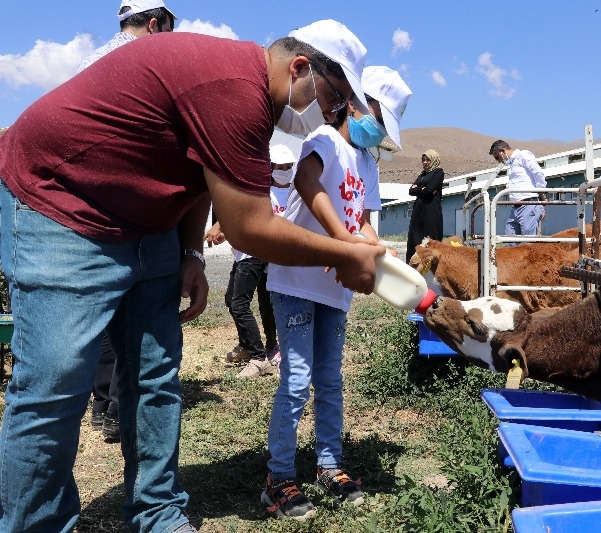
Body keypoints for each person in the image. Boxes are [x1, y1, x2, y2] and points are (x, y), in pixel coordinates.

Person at [0, 19, 384, 533]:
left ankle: (157, 512)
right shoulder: (234, 89)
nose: (334, 116)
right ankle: (36, 524)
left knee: (154, 376)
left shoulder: (255, 101)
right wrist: (340, 254)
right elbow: (249, 230)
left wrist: (190, 252)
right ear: (300, 69)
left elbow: (204, 170)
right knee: (55, 384)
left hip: (146, 223)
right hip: (62, 205)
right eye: (336, 101)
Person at [263, 65, 411, 520]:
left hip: (334, 284)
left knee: (329, 378)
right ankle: (279, 479)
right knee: (296, 379)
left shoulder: (366, 162)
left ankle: (329, 465)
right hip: (294, 277)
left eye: (385, 129)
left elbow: (363, 222)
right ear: (356, 104)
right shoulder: (325, 141)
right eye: (379, 121)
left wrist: (374, 256)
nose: (379, 133)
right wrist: (344, 243)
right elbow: (306, 185)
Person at [80, 0, 178, 444]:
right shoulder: (146, 63)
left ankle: (103, 406)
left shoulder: (89, 61)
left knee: (103, 319)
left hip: (87, 212)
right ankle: (123, 410)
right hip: (132, 213)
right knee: (137, 320)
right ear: (155, 23)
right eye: (170, 30)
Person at [206, 144, 298, 379]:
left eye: (289, 167)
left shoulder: (295, 195)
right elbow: (241, 213)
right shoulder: (261, 191)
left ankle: (259, 356)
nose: (284, 171)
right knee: (237, 300)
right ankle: (255, 346)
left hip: (258, 254)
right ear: (270, 168)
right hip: (248, 252)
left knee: (242, 303)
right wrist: (221, 226)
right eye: (280, 167)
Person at [79, 0, 177, 73]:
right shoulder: (148, 63)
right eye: (167, 32)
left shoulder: (90, 59)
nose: (168, 39)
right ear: (152, 25)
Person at [489, 139, 548, 238]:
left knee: (528, 242)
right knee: (510, 240)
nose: (498, 161)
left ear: (503, 151)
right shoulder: (512, 164)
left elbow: (538, 174)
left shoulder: (523, 155)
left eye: (497, 157)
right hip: (515, 208)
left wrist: (542, 198)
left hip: (528, 204)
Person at [405, 149, 444, 262]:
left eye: (428, 160)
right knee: (415, 236)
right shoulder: (422, 174)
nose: (425, 162)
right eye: (423, 160)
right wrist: (422, 189)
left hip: (431, 209)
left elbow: (430, 189)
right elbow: (410, 191)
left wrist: (420, 189)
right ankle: (413, 264)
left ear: (434, 160)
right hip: (418, 210)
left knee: (431, 236)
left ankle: (432, 266)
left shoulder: (438, 172)